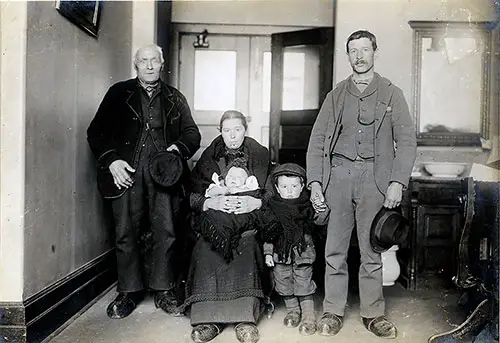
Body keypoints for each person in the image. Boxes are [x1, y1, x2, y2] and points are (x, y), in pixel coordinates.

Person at [306, 30, 417, 339]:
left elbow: (406, 142)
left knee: (372, 250)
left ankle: (373, 314)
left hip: (375, 178)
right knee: (334, 250)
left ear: (374, 52)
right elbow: (316, 143)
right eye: (353, 50)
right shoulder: (336, 95)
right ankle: (332, 310)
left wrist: (397, 182)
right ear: (348, 55)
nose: (359, 56)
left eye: (364, 49)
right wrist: (316, 182)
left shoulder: (391, 93)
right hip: (338, 177)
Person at [87, 44, 201, 319]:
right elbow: (96, 132)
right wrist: (112, 160)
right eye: (143, 61)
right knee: (126, 231)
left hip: (165, 175)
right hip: (127, 173)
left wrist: (178, 149)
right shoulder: (118, 93)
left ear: (162, 64)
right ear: (135, 65)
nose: (149, 66)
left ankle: (164, 290)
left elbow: (192, 133)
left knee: (167, 231)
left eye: (154, 61)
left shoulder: (175, 97)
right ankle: (129, 292)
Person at [183, 110, 272, 343]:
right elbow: (191, 194)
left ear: (245, 130)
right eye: (226, 130)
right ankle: (208, 318)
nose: (232, 136)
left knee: (248, 242)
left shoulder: (260, 154)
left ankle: (245, 318)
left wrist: (256, 201)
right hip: (216, 220)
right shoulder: (209, 156)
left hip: (248, 220)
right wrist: (210, 202)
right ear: (220, 132)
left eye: (237, 130)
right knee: (205, 245)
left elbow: (273, 192)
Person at [263, 163, 329, 336]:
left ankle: (308, 317)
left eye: (294, 186)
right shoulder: (272, 208)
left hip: (303, 255)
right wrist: (268, 252)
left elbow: (319, 222)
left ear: (302, 187)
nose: (290, 191)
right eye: (284, 187)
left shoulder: (306, 206)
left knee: (303, 283)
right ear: (277, 188)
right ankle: (293, 310)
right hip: (280, 255)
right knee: (283, 283)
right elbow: (268, 233)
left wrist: (322, 211)